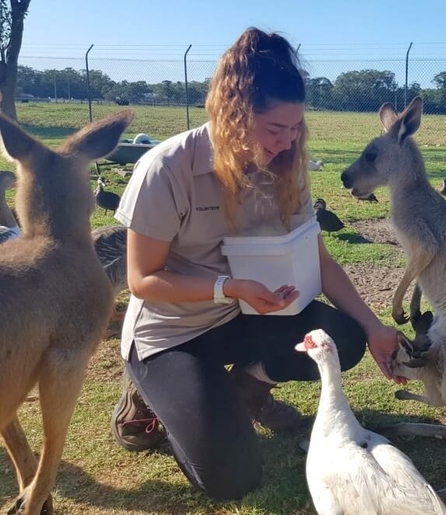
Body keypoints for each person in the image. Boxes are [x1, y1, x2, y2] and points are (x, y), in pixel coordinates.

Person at [110, 27, 403, 501]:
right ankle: (149, 395)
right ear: (232, 115)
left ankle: (244, 390)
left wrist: (372, 326)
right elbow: (143, 280)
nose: (287, 143)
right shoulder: (166, 169)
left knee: (342, 338)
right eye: (274, 129)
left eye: (295, 129)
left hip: (246, 313)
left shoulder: (287, 169)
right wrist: (229, 287)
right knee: (233, 478)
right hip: (171, 332)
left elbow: (320, 260)